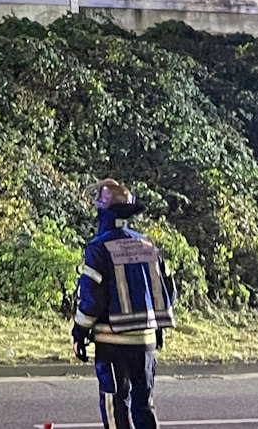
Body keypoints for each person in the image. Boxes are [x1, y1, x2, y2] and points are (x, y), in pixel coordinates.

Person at [71, 179, 176, 429]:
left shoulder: (98, 248)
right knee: (144, 406)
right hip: (146, 343)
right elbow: (168, 293)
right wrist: (156, 329)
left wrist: (79, 332)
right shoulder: (149, 245)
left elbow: (91, 299)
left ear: (103, 211)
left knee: (116, 404)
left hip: (112, 344)